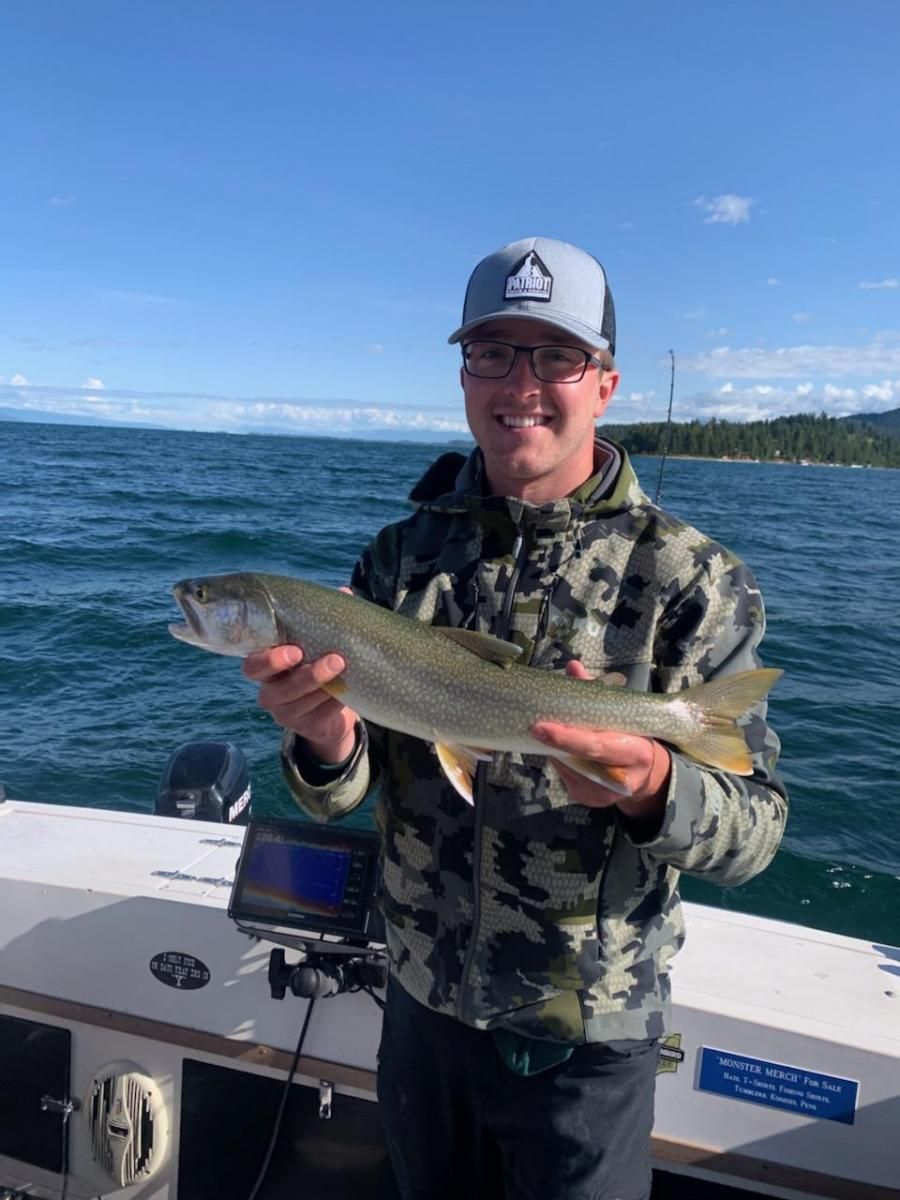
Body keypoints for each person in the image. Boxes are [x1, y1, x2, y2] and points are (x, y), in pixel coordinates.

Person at [243, 237, 788, 1200]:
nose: (520, 383)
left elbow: (755, 833)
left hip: (587, 1036)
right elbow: (344, 793)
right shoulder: (401, 559)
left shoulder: (694, 581)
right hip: (419, 1008)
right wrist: (324, 740)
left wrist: (655, 786)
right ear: (463, 374)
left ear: (606, 383)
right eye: (493, 352)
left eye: (555, 355)